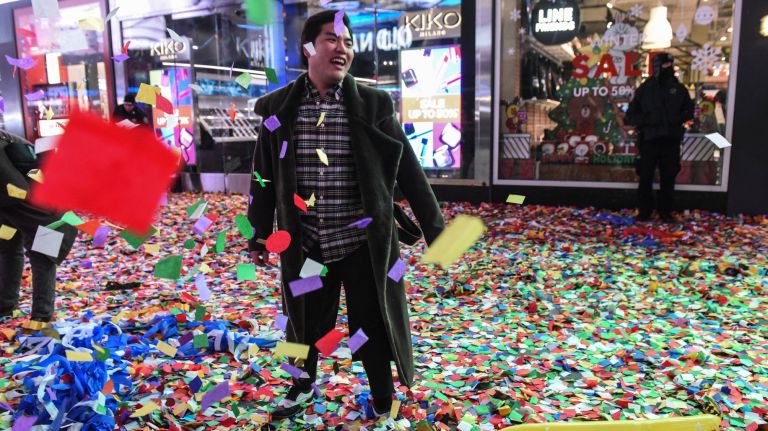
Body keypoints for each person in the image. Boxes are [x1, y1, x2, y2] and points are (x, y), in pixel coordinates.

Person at [247, 10, 445, 421]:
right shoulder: (277, 110)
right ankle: (300, 385)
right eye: (332, 39)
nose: (343, 49)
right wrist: (258, 233)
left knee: (371, 321)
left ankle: (381, 393)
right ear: (308, 48)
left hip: (363, 243)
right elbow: (263, 177)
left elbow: (408, 169)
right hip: (307, 244)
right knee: (303, 322)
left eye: (349, 42)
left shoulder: (373, 105)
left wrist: (436, 230)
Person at [0, 130, 77, 324]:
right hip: (12, 195)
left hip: (24, 196)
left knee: (40, 251)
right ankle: (7, 306)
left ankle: (40, 315)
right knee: (9, 247)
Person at [626, 53, 694, 222]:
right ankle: (645, 211)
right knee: (646, 176)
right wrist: (648, 121)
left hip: (670, 140)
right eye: (664, 65)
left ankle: (665, 211)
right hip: (649, 139)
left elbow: (689, 111)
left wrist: (675, 120)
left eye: (669, 64)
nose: (667, 68)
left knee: (669, 176)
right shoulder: (646, 88)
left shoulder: (679, 89)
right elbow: (631, 115)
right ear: (656, 66)